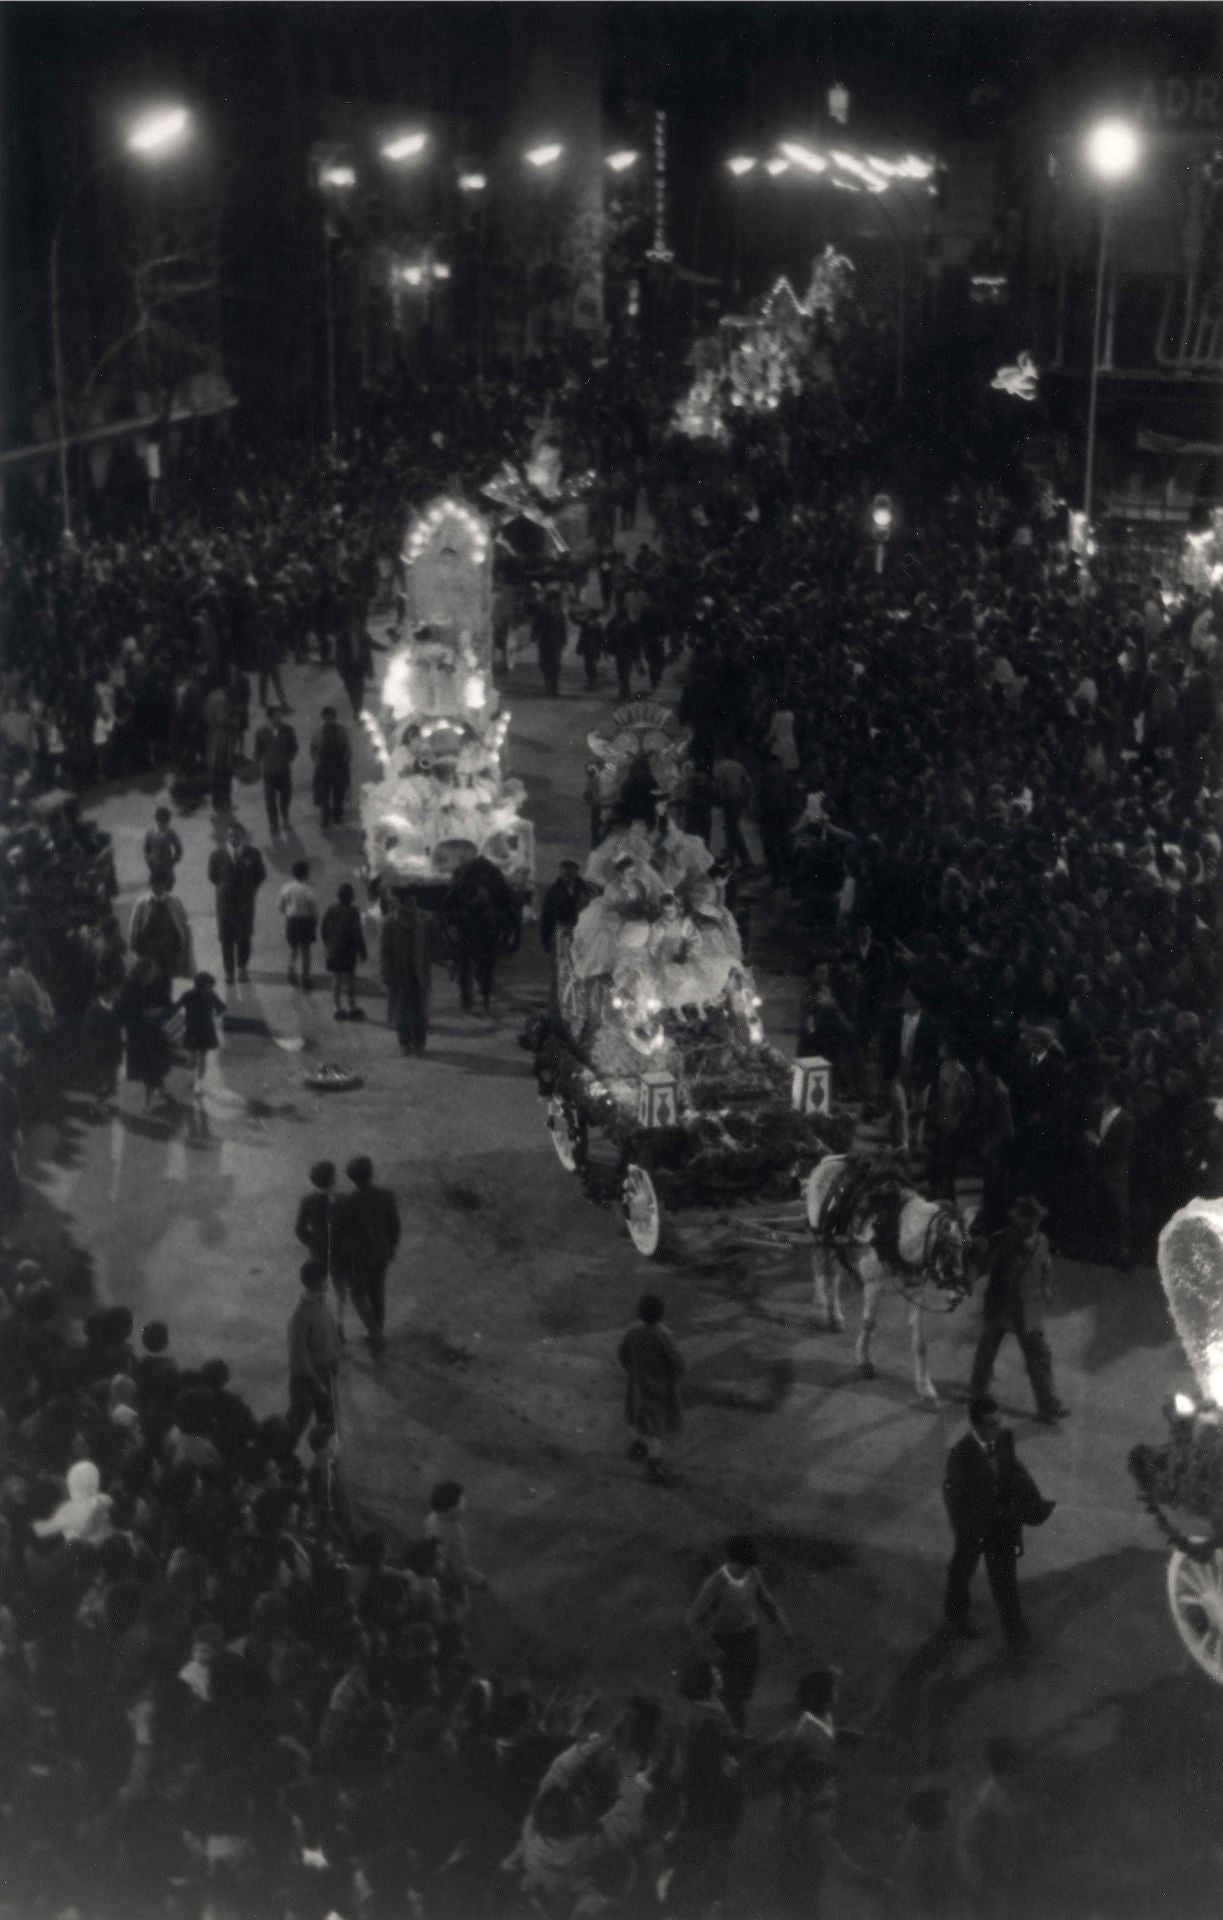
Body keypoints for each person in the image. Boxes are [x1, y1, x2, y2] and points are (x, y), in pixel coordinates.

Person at [942, 1394, 1055, 1648]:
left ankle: (1014, 1631)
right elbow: (954, 1499)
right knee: (961, 1573)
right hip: (974, 1529)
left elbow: (1011, 1468)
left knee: (1005, 1578)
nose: (999, 1428)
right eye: (992, 1424)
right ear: (977, 1427)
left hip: (1001, 1525)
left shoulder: (1005, 1439)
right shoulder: (961, 1456)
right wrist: (968, 1531)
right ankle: (956, 1617)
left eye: (1000, 1421)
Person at [968, 1196, 1069, 1422]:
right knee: (988, 1350)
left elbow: (1045, 1266)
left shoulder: (1042, 1241)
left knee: (1040, 1355)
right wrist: (968, 1279)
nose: (1032, 1225)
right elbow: (982, 1266)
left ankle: (1048, 1406)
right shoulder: (1001, 1241)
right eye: (1027, 1220)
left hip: (1028, 1311)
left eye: (1035, 1220)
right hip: (1000, 1306)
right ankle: (978, 1390)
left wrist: (1045, 1287)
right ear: (1017, 1220)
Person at [686, 1535, 795, 1731]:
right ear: (731, 1561)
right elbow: (693, 1619)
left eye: (747, 1567)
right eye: (741, 1566)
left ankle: (737, 1728)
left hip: (748, 1638)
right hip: (725, 1643)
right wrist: (711, 1649)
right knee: (730, 1693)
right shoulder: (716, 1583)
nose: (744, 1571)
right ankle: (735, 1731)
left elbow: (767, 1602)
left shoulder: (753, 1574)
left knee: (745, 1691)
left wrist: (784, 1628)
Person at [332, 1155, 401, 1353]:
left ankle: (375, 1335)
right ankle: (377, 1331)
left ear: (351, 1178)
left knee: (358, 1293)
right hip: (381, 1251)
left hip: (358, 1255)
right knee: (378, 1292)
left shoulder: (347, 1202)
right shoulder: (387, 1195)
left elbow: (340, 1232)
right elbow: (394, 1226)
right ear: (371, 1173)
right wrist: (392, 1246)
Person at [617, 1292, 685, 1487]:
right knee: (656, 1427)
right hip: (659, 1386)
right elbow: (677, 1361)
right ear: (661, 1314)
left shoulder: (633, 1332)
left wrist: (631, 1370)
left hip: (637, 1384)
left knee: (638, 1416)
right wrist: (679, 1372)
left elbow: (622, 1354)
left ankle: (638, 1446)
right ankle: (654, 1467)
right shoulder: (663, 1335)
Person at [445, 854, 517, 1017]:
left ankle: (479, 999)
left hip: (482, 932)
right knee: (474, 966)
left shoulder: (476, 883)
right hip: (473, 932)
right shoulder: (476, 883)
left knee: (478, 967)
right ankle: (475, 1000)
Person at [285, 1260, 341, 1446]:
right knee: (296, 1424)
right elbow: (299, 1358)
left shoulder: (324, 1302)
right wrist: (318, 1385)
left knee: (329, 1422)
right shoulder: (300, 1315)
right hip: (308, 1378)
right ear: (321, 1282)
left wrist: (335, 1360)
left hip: (326, 1371)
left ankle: (327, 1458)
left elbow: (331, 1331)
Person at [206, 822, 266, 985]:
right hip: (225, 904)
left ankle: (242, 969)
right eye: (231, 834)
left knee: (244, 937)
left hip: (245, 904)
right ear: (227, 836)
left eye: (237, 835)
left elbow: (260, 875)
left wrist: (250, 890)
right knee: (226, 939)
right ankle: (229, 973)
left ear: (243, 836)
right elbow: (212, 876)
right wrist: (224, 888)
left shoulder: (252, 854)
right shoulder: (217, 854)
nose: (234, 837)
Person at [1085, 1079, 1135, 1269]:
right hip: (1096, 1169)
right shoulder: (1098, 1112)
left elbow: (1120, 1150)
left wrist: (1096, 1142)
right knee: (1098, 1209)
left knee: (1118, 1212)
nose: (1101, 1096)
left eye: (1105, 1093)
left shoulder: (1126, 1120)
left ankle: (1122, 1256)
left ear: (1112, 1096)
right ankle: (1098, 1251)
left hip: (1114, 1173)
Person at [295, 1160, 347, 1336]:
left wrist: (313, 1243)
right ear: (333, 1179)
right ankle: (339, 1324)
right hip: (340, 1252)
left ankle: (321, 1326)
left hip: (317, 1252)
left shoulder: (307, 1200)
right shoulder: (343, 1199)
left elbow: (300, 1229)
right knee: (341, 1289)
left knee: (318, 1288)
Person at [116, 957, 174, 1110]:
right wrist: (143, 1014)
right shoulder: (130, 988)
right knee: (151, 1070)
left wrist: (161, 1011)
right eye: (150, 973)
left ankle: (153, 1097)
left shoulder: (152, 986)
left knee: (152, 1069)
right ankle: (154, 1097)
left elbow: (169, 1006)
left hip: (151, 1034)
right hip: (140, 1035)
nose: (152, 975)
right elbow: (123, 1013)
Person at [379, 887, 432, 1054]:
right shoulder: (389, 923)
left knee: (419, 1011)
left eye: (412, 900)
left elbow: (426, 949)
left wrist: (426, 972)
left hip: (418, 973)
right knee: (402, 1010)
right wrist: (385, 973)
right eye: (406, 901)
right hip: (399, 973)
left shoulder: (422, 921)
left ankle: (419, 1043)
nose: (410, 904)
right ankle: (405, 1042)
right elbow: (384, 951)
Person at [128, 874, 194, 990]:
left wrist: (183, 945)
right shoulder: (142, 903)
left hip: (168, 950)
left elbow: (183, 925)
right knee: (150, 981)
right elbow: (135, 926)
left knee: (167, 981)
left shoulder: (174, 902)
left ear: (164, 886)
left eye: (160, 885)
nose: (157, 888)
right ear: (151, 886)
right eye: (154, 885)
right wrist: (134, 946)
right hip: (149, 951)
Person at [172, 971, 226, 1098]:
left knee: (193, 1057)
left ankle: (195, 1080)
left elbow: (176, 1007)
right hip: (206, 1030)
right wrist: (215, 1015)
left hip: (192, 1029)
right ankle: (198, 1082)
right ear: (206, 985)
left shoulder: (188, 994)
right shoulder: (211, 995)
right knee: (201, 1058)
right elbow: (222, 1008)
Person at [320, 880, 368, 1019]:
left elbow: (323, 929)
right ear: (351, 897)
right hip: (348, 951)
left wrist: (328, 944)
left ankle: (337, 1007)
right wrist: (362, 951)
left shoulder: (330, 909)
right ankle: (352, 1006)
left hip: (333, 950)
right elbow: (357, 934)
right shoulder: (353, 912)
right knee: (350, 978)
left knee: (336, 978)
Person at [252, 709, 298, 836]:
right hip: (269, 771)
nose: (280, 719)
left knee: (285, 797)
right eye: (277, 717)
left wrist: (289, 757)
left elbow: (294, 747)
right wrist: (256, 766)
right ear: (270, 718)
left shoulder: (288, 730)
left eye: (280, 716)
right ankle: (273, 824)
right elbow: (257, 751)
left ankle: (285, 819)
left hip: (284, 770)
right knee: (270, 800)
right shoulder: (261, 732)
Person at [277, 859, 319, 990]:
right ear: (306, 874)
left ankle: (290, 970)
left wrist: (287, 912)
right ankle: (305, 979)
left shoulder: (286, 888)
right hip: (305, 921)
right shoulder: (309, 890)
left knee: (293, 949)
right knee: (305, 951)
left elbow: (280, 906)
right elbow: (314, 910)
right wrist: (315, 923)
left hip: (291, 921)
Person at [539, 858, 592, 957]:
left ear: (576, 873)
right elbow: (547, 916)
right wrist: (547, 940)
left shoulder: (585, 889)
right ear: (561, 873)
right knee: (559, 950)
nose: (567, 876)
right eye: (565, 873)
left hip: (582, 928)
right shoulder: (553, 891)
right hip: (559, 926)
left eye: (570, 873)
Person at [310, 704, 352, 829]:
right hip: (324, 767)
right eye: (327, 717)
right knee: (324, 795)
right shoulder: (318, 733)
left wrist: (346, 760)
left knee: (338, 793)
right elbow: (313, 749)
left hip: (338, 765)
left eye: (331, 717)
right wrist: (317, 762)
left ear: (334, 717)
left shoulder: (341, 731)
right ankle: (325, 819)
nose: (329, 720)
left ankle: (337, 816)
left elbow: (347, 748)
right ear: (323, 718)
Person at [712, 752, 753, 870]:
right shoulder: (739, 765)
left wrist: (718, 801)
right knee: (732, 829)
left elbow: (719, 786)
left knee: (732, 829)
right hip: (740, 799)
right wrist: (748, 799)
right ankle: (735, 857)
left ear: (719, 759)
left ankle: (742, 858)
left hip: (729, 801)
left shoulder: (721, 768)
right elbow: (748, 783)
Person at [532, 584, 568, 697]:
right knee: (545, 664)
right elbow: (536, 625)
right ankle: (549, 686)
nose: (552, 603)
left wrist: (563, 640)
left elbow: (563, 628)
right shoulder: (543, 611)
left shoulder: (559, 613)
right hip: (546, 641)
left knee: (555, 665)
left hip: (555, 642)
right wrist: (533, 635)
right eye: (550, 600)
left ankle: (553, 687)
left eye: (554, 600)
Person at [142, 806, 183, 887]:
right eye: (160, 822)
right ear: (157, 821)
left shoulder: (170, 833)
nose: (163, 825)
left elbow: (178, 848)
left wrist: (174, 860)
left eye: (165, 822)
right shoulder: (151, 832)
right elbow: (146, 848)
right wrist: (149, 860)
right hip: (154, 865)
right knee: (155, 886)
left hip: (167, 865)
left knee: (167, 887)